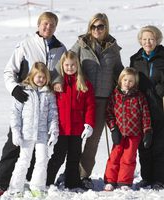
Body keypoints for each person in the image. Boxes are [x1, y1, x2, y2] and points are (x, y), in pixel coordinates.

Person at [0, 11, 66, 196]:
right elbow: (9, 70)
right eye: (45, 24)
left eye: (52, 25)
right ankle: (0, 183)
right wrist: (14, 89)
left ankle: (31, 183)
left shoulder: (60, 48)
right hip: (26, 101)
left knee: (39, 152)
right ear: (38, 25)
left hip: (46, 102)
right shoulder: (26, 44)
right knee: (14, 144)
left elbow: (61, 75)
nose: (48, 27)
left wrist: (58, 83)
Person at [68, 13, 124, 189]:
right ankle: (70, 173)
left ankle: (83, 175)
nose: (97, 30)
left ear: (106, 27)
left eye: (100, 26)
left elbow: (119, 72)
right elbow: (66, 63)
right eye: (93, 27)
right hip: (81, 97)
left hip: (101, 100)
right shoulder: (81, 44)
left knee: (92, 140)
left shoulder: (113, 48)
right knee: (75, 138)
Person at [4, 62, 59, 198]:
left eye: (43, 77)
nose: (41, 80)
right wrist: (15, 132)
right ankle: (16, 187)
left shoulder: (48, 93)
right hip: (26, 133)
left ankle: (37, 186)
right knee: (24, 159)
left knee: (42, 159)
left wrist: (53, 132)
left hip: (42, 134)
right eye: (38, 77)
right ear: (32, 76)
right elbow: (15, 114)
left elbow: (53, 115)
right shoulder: (23, 91)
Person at [46, 51, 96, 189]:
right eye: (67, 65)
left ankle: (72, 183)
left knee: (74, 157)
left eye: (73, 65)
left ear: (77, 65)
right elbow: (51, 107)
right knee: (58, 157)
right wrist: (51, 127)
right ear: (62, 65)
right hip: (61, 128)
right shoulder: (57, 84)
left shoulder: (84, 84)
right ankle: (47, 181)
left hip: (77, 129)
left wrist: (89, 124)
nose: (70, 67)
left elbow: (90, 106)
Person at [103, 67, 152, 191]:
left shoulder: (139, 97)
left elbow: (146, 115)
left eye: (131, 81)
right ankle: (110, 180)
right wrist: (113, 129)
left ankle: (124, 181)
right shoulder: (115, 95)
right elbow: (109, 113)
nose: (127, 83)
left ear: (135, 83)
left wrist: (147, 131)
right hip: (119, 133)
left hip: (134, 134)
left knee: (128, 158)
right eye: (125, 80)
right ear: (120, 80)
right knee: (114, 156)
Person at [130, 25, 164, 190]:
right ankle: (146, 177)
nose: (148, 42)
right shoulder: (135, 59)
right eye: (144, 39)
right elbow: (130, 80)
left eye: (151, 39)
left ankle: (159, 178)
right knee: (144, 145)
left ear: (157, 39)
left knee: (159, 144)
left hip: (160, 106)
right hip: (141, 107)